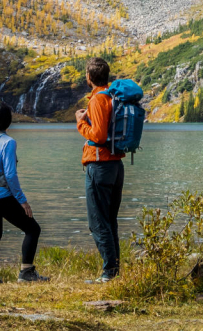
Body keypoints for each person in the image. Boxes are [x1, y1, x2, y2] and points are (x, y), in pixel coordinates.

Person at [0, 102, 49, 284]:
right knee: (33, 229)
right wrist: (22, 201)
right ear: (7, 120)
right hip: (0, 197)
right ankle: (26, 273)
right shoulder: (8, 142)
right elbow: (10, 174)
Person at [75, 57, 124, 282]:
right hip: (115, 164)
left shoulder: (97, 100)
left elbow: (99, 136)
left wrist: (80, 123)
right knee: (109, 220)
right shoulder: (112, 97)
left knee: (98, 222)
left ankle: (108, 273)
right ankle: (113, 270)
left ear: (89, 77)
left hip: (100, 164)